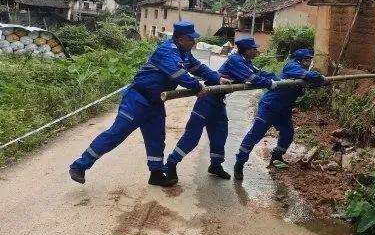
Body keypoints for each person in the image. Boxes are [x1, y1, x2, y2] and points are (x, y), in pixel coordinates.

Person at [69, 21, 228, 187]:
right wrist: (197, 87)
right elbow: (178, 74)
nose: (193, 42)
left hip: (156, 103)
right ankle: (79, 166)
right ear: (180, 39)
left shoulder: (185, 53)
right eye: (191, 39)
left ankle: (157, 174)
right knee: (116, 134)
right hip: (137, 100)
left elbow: (198, 68)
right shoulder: (167, 51)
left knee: (156, 139)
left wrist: (217, 78)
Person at [165, 36, 276, 182]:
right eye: (254, 49)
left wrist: (278, 79)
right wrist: (270, 84)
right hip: (207, 99)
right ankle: (171, 164)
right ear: (247, 50)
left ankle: (215, 165)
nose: (257, 51)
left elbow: (260, 73)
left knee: (220, 134)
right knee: (192, 136)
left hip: (219, 101)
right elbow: (253, 79)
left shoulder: (246, 62)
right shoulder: (236, 61)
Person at [233, 48, 326, 181]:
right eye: (307, 60)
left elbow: (309, 81)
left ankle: (276, 157)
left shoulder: (303, 70)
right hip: (270, 106)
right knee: (256, 134)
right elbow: (308, 76)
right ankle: (239, 164)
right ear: (299, 60)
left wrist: (322, 82)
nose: (309, 63)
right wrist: (319, 78)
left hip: (284, 109)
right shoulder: (292, 65)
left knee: (288, 133)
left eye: (310, 60)